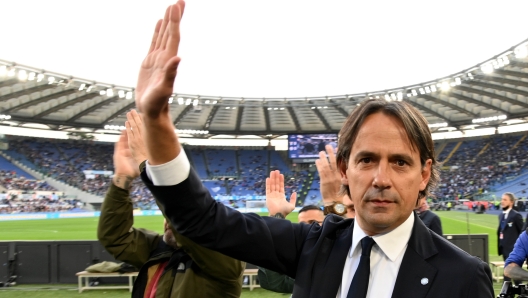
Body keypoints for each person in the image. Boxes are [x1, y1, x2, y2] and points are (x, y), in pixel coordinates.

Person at [133, 1, 493, 297]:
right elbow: (202, 220)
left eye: (400, 162)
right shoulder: (312, 245)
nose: (381, 178)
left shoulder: (463, 277)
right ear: (343, 169)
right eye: (366, 160)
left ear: (424, 173)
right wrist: (156, 122)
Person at [97, 110, 244, 298]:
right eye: (168, 219)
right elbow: (115, 238)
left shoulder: (226, 261)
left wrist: (148, 165)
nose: (169, 222)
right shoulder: (159, 249)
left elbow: (188, 218)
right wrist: (122, 178)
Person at [498, 192, 523, 282]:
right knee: (506, 275)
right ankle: (506, 294)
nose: (502, 201)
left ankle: (522, 292)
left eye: (505, 200)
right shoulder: (501, 215)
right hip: (504, 249)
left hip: (514, 251)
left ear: (511, 202)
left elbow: (522, 232)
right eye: (502, 199)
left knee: (516, 276)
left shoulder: (516, 216)